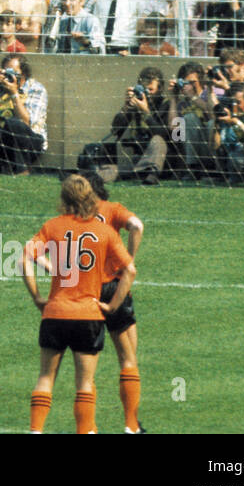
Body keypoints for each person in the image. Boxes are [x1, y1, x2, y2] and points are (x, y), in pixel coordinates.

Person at [23, 173, 136, 434]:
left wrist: (37, 297)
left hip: (55, 312)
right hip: (89, 315)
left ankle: (35, 431)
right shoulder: (105, 231)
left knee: (45, 377)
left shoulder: (52, 226)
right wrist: (112, 305)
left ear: (63, 198)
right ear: (92, 198)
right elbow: (129, 270)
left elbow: (23, 259)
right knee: (85, 383)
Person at [82, 171, 147, 434]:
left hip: (86, 292)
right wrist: (128, 261)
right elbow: (137, 226)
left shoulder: (73, 216)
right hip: (116, 290)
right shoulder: (111, 209)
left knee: (86, 369)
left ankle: (88, 429)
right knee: (128, 358)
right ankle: (132, 425)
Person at [102, 67, 170, 186]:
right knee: (108, 171)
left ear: (160, 89)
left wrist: (146, 112)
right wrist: (126, 107)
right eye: (145, 89)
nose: (147, 93)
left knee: (157, 140)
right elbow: (116, 130)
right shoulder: (136, 104)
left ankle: (150, 174)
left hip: (164, 161)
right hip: (141, 158)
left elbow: (166, 136)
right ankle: (86, 175)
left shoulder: (167, 104)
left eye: (151, 89)